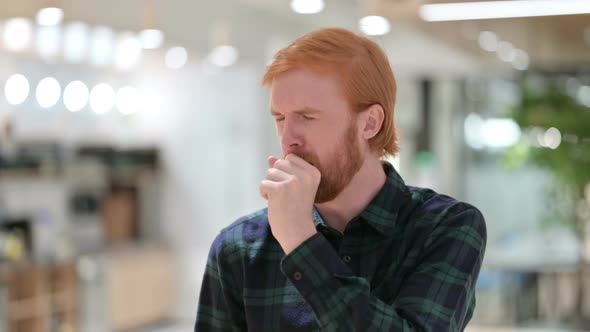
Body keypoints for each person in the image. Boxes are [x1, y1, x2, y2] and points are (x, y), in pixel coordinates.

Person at [194, 27, 486, 331]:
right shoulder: (238, 247)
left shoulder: (445, 227)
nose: (288, 138)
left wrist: (300, 241)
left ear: (370, 123)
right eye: (280, 118)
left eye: (307, 117)